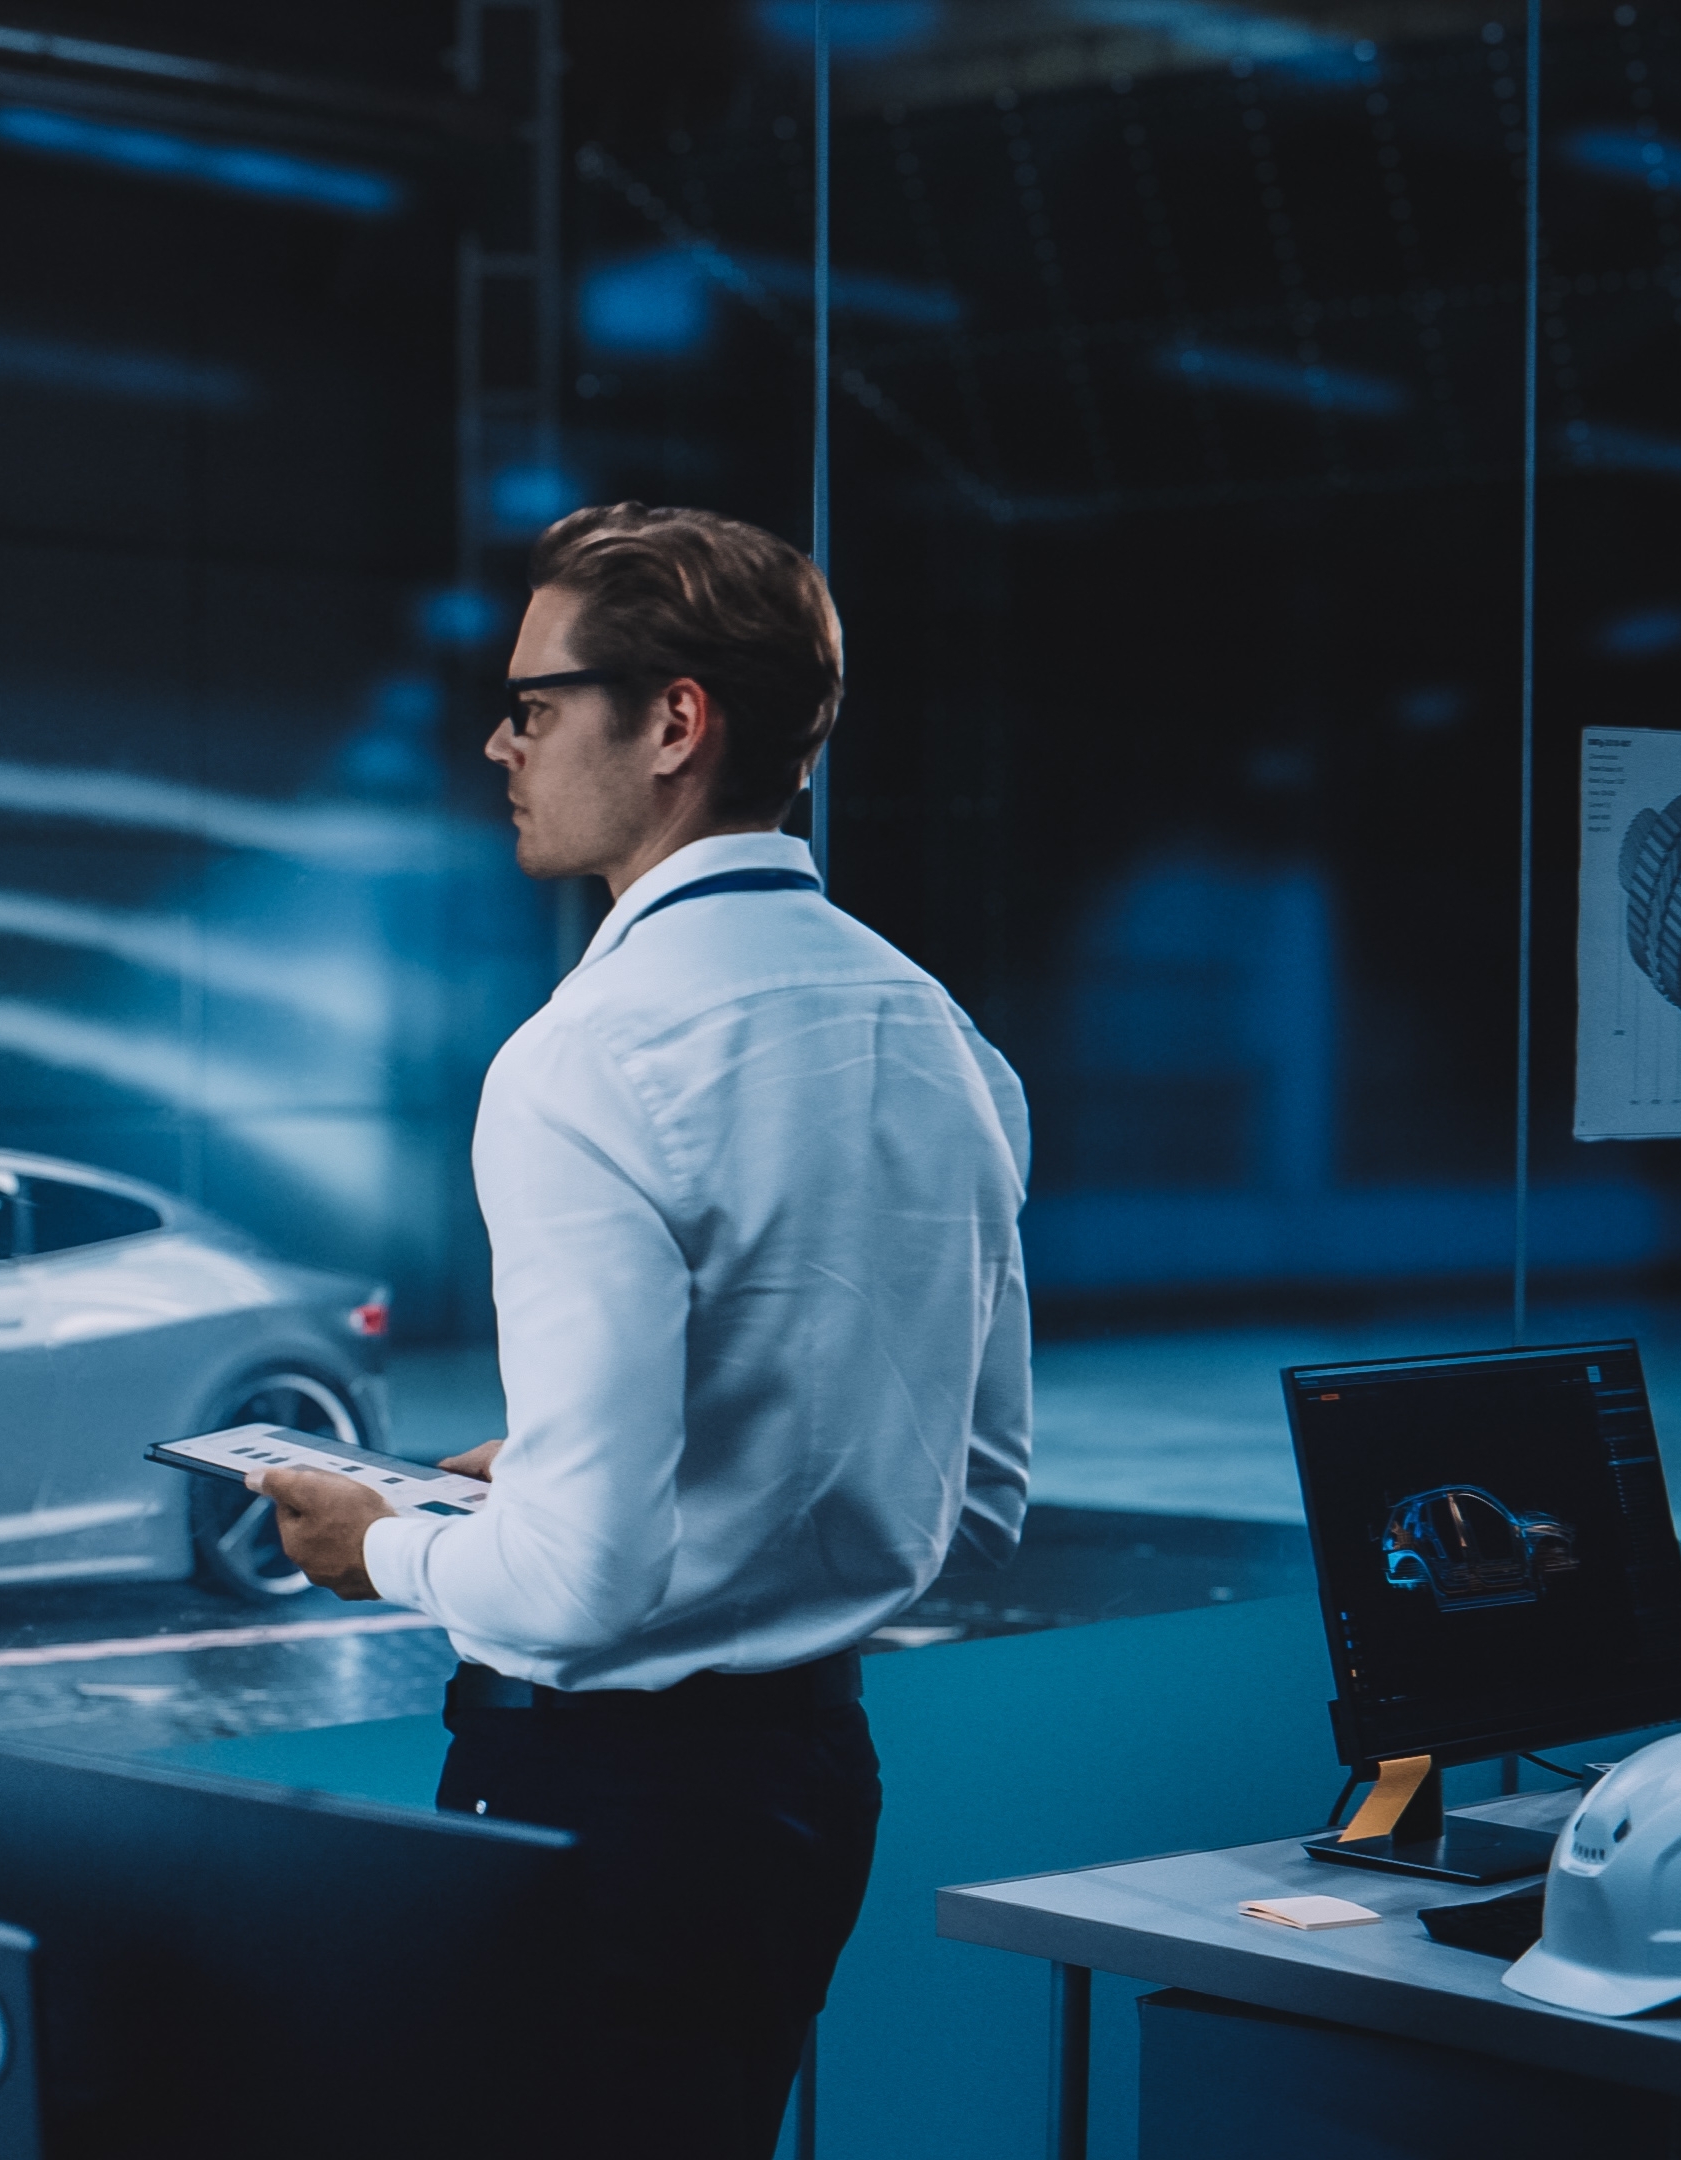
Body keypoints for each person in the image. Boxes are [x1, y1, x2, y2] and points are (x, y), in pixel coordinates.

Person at [256, 502, 1030, 2157]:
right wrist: (573, 1471)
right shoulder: (944, 1036)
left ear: (675, 721)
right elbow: (978, 1501)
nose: (498, 740)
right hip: (811, 1792)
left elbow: (580, 1588)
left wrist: (374, 1545)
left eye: (535, 701)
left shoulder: (585, 1059)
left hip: (597, 1817)